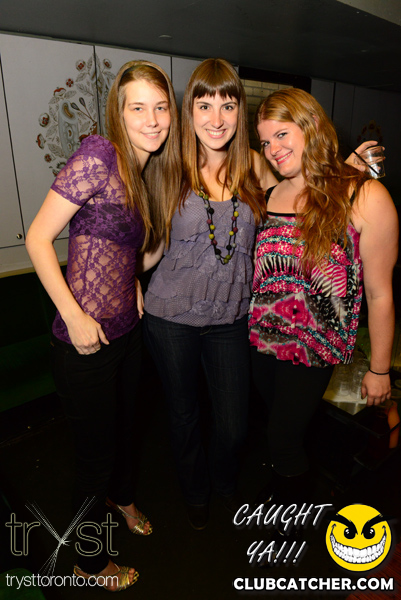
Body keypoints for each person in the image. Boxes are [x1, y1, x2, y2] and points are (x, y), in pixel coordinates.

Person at [26, 60, 181, 591]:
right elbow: (37, 238)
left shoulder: (145, 172)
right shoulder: (99, 154)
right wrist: (73, 314)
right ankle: (87, 565)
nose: (152, 119)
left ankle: (123, 498)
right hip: (84, 343)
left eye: (161, 107)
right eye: (138, 108)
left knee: (127, 432)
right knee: (94, 459)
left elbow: (126, 250)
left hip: (127, 331)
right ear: (119, 111)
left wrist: (134, 279)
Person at [143, 58, 277, 530]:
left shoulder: (254, 166)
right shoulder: (170, 168)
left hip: (230, 318)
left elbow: (301, 194)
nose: (216, 118)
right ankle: (195, 492)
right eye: (204, 105)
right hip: (170, 317)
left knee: (234, 425)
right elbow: (152, 246)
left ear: (241, 111)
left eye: (228, 105)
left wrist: (344, 173)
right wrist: (122, 281)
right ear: (190, 111)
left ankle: (223, 480)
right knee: (184, 416)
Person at [248, 87, 398, 509]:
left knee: (283, 436)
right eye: (266, 141)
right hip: (261, 340)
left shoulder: (365, 196)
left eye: (282, 134)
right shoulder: (270, 195)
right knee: (278, 427)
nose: (273, 149)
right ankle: (284, 484)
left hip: (312, 347)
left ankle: (289, 513)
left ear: (312, 124)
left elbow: (380, 294)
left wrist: (380, 369)